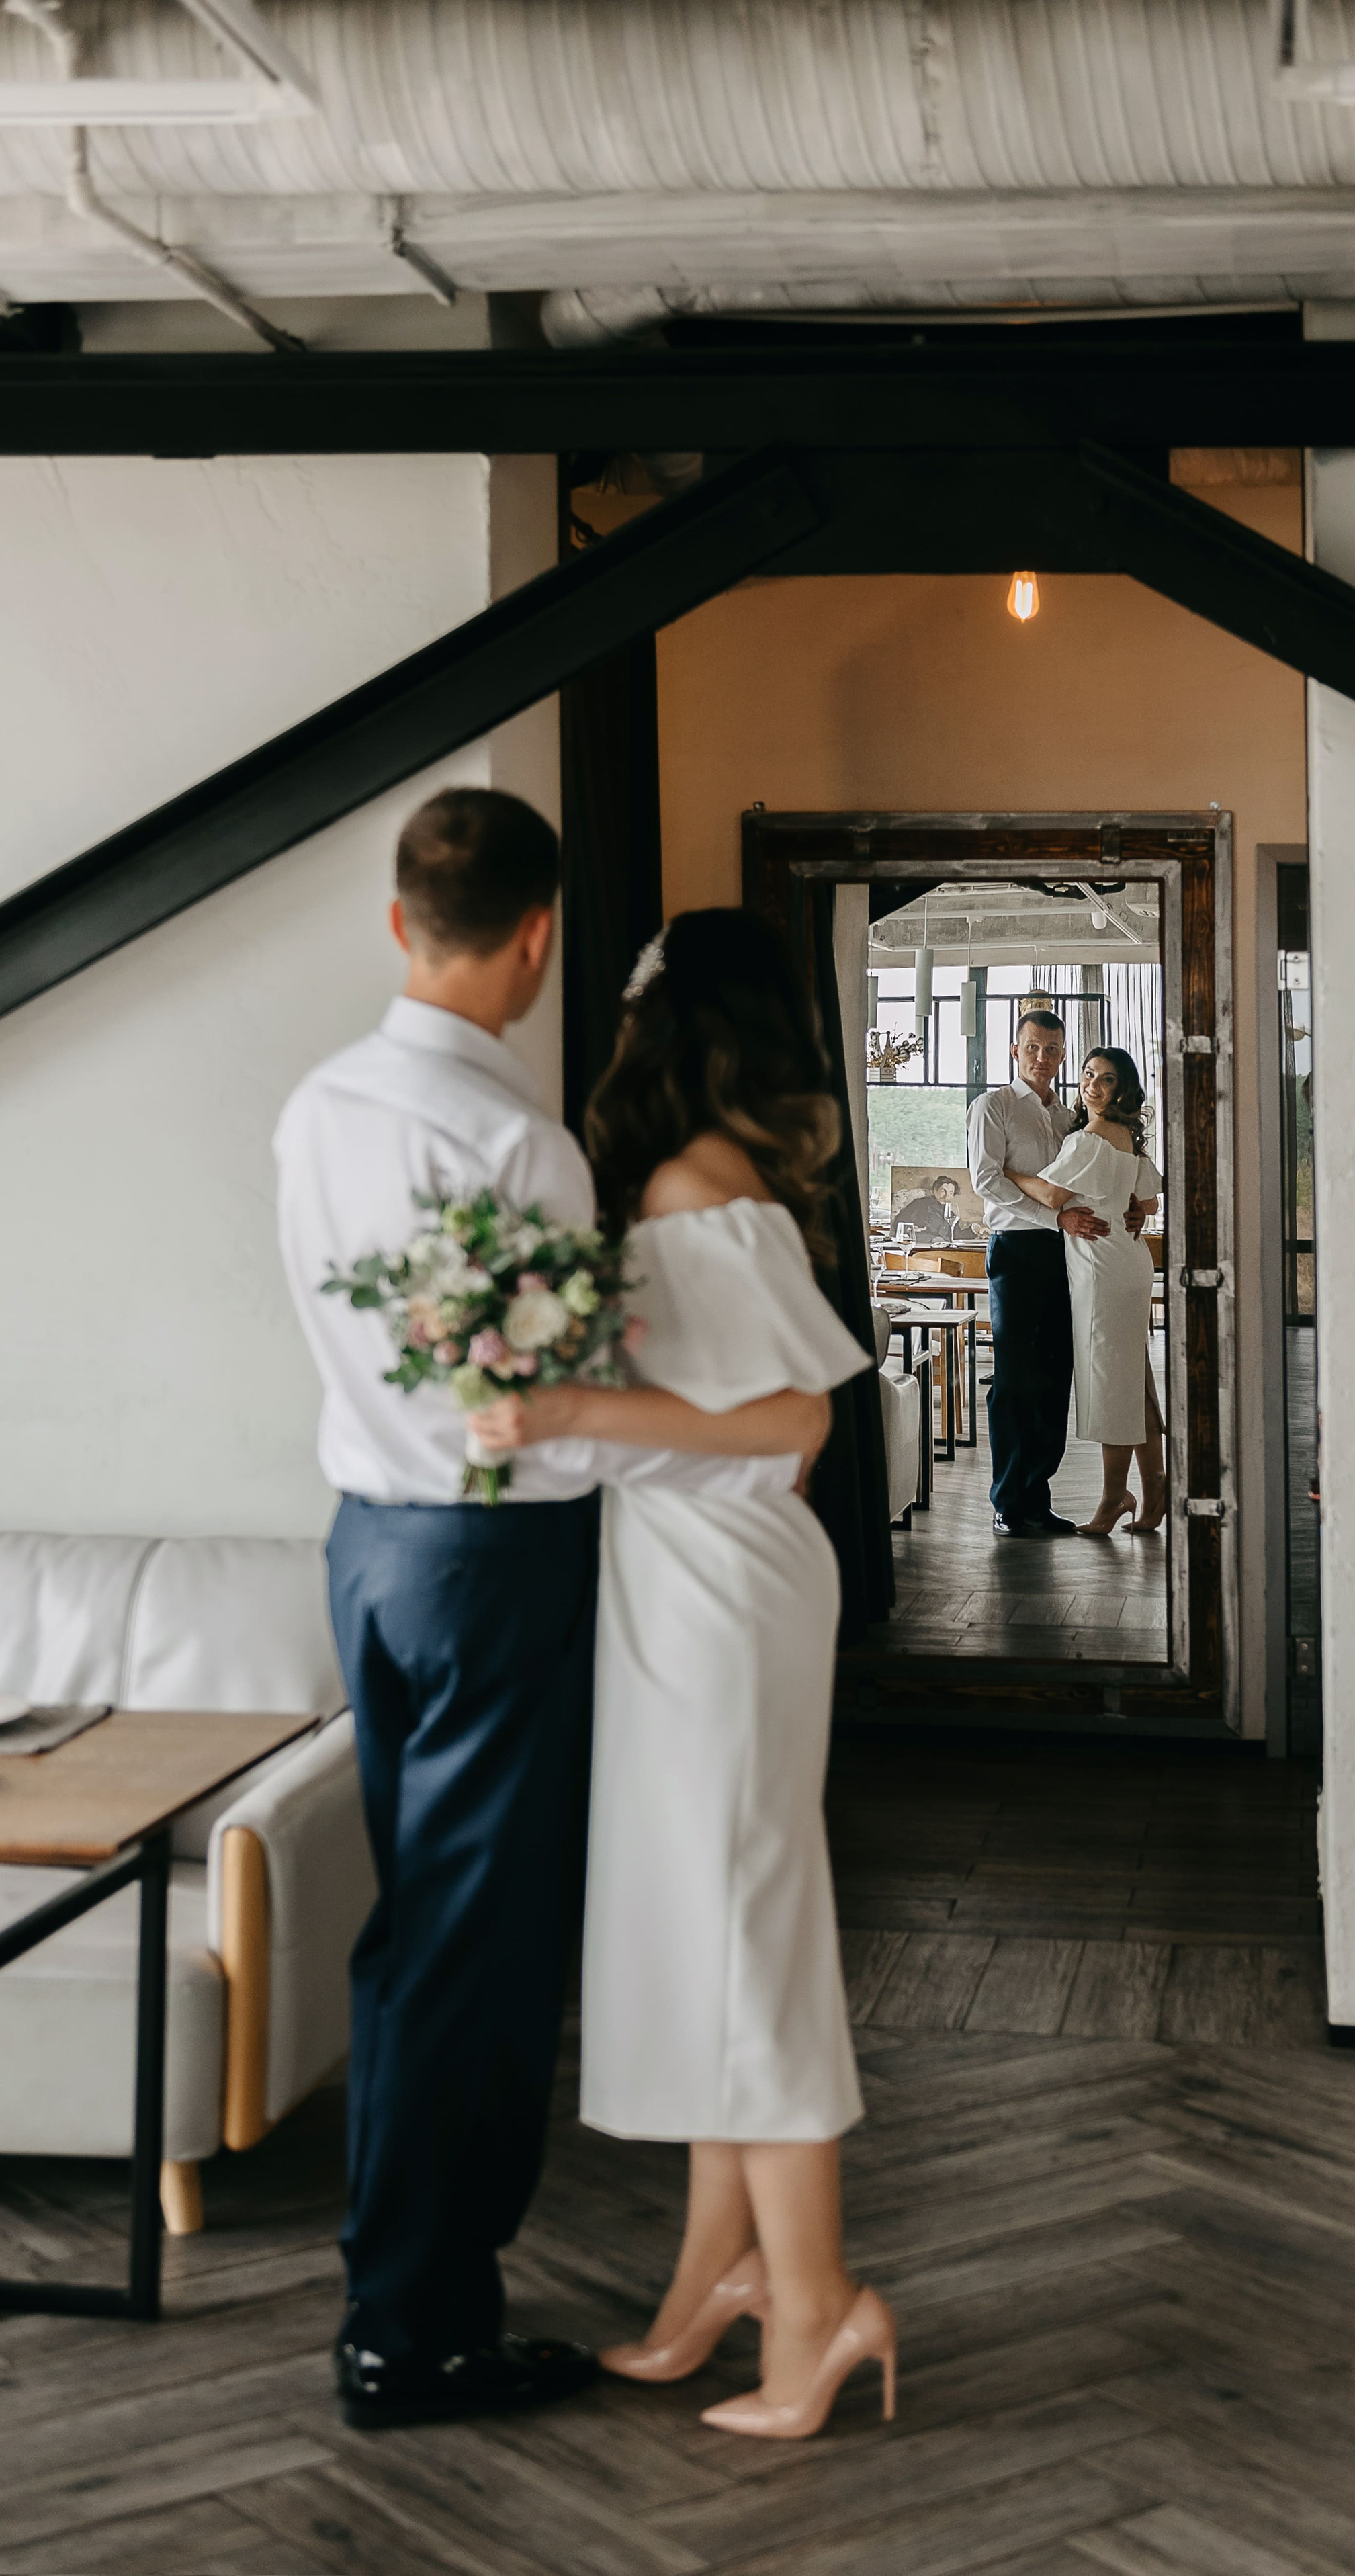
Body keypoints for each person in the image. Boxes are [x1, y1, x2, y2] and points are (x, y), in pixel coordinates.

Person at [275, 795, 817, 2433]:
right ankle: (420, 2322)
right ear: (532, 939)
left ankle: (393, 2282)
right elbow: (550, 1399)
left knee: (410, 1931)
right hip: (489, 1562)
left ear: (395, 922)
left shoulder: (314, 1108)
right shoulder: (520, 1142)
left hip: (364, 1545)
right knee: (479, 1950)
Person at [467, 908, 897, 2444]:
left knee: (742, 1936)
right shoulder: (704, 1182)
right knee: (716, 1928)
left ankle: (817, 2303)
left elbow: (790, 1420)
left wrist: (567, 1397)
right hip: (692, 1580)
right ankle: (710, 2279)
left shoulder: (686, 1185)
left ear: (669, 1023)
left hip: (722, 1588)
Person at [969, 1008, 1121, 1536]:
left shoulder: (1069, 1116)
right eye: (1033, 1047)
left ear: (1063, 1055)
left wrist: (1128, 1204)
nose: (1043, 1058)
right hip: (1019, 1249)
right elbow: (988, 1180)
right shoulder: (995, 1106)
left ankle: (1038, 1497)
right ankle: (1009, 1504)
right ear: (1016, 1050)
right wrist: (1053, 1217)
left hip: (1072, 1253)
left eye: (1053, 1049)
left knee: (1057, 1378)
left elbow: (1089, 1176)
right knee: (1016, 1380)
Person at [1006, 1046, 1166, 1535]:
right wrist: (1132, 1210)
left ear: (1122, 1089)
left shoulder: (1089, 1138)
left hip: (1103, 1270)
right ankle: (1155, 1486)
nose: (1092, 1086)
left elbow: (1053, 1196)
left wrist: (1009, 1173)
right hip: (1131, 1262)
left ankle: (1115, 1498)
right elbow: (1152, 1202)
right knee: (1133, 1378)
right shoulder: (1129, 1140)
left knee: (1111, 1384)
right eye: (1088, 1075)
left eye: (1107, 1079)